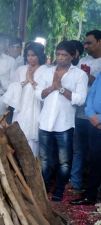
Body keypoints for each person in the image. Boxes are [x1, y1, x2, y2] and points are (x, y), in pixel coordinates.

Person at [35, 41, 88, 201]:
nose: (59, 58)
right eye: (58, 54)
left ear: (73, 56)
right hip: (45, 123)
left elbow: (80, 99)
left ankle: (58, 190)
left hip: (64, 125)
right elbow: (38, 94)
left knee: (64, 162)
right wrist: (53, 87)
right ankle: (44, 188)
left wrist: (61, 88)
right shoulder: (47, 72)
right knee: (44, 159)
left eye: (64, 55)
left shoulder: (79, 75)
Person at [66, 30, 101, 191]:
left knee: (96, 153)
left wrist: (89, 77)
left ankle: (95, 187)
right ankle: (75, 181)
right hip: (80, 113)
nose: (86, 46)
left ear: (100, 42)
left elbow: (95, 86)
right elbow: (76, 83)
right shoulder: (82, 62)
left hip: (97, 118)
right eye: (85, 43)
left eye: (89, 43)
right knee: (78, 150)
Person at [3, 43, 47, 157]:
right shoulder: (21, 69)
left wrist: (31, 80)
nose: (30, 58)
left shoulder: (46, 71)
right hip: (21, 109)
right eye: (28, 55)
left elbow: (45, 92)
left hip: (36, 108)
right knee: (18, 136)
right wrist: (26, 81)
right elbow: (11, 89)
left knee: (32, 140)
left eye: (33, 55)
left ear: (39, 56)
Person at [70, 71, 101, 205]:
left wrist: (99, 118)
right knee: (95, 160)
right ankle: (91, 195)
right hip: (94, 123)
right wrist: (91, 115)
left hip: (98, 120)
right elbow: (91, 95)